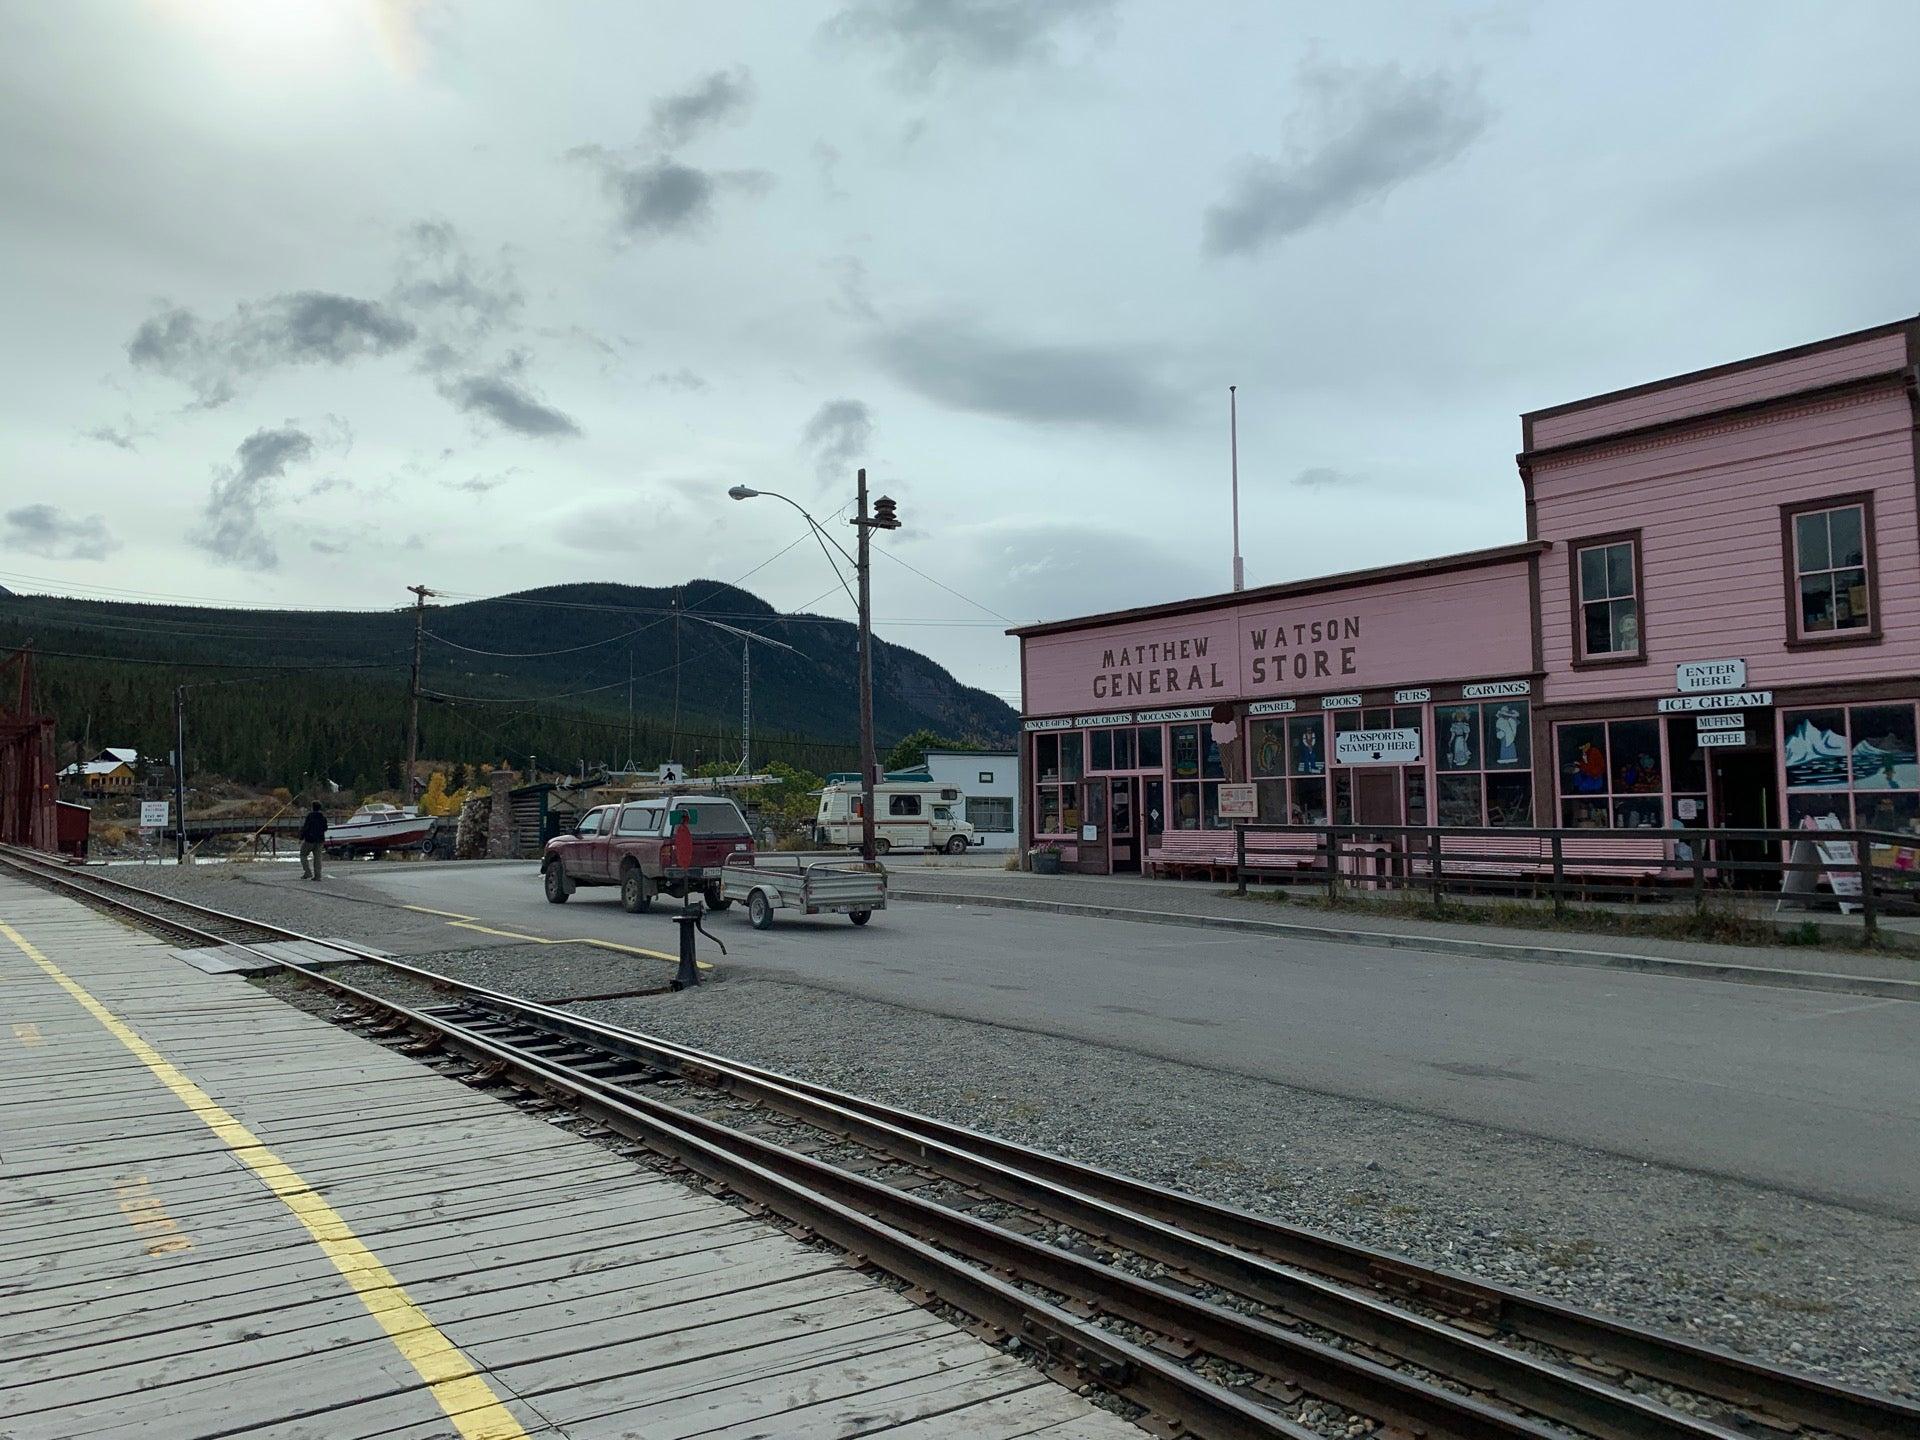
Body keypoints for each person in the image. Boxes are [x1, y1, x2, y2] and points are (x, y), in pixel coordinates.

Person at [299, 802, 328, 881]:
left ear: (312, 807)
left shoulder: (310, 816)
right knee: (318, 858)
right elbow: (325, 828)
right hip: (320, 840)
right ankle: (318, 876)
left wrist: (301, 837)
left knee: (303, 855)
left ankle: (307, 872)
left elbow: (306, 827)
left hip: (310, 839)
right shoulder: (323, 817)